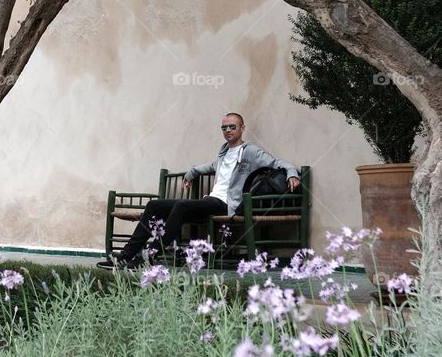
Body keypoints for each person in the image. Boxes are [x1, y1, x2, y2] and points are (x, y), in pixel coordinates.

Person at [97, 112, 300, 269]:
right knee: (154, 205)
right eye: (224, 127)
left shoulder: (251, 152)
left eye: (232, 127)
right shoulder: (224, 152)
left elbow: (276, 163)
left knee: (181, 205)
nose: (228, 130)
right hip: (211, 201)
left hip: (226, 205)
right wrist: (191, 173)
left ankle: (149, 255)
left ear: (241, 128)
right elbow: (210, 167)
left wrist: (292, 173)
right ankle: (126, 256)